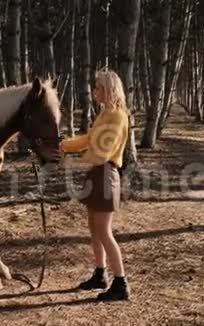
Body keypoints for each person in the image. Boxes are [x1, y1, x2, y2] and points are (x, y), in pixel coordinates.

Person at [60, 69, 130, 301]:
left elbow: (102, 151)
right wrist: (64, 146)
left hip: (105, 173)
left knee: (104, 231)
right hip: (95, 173)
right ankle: (100, 274)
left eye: (99, 87)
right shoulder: (103, 115)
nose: (94, 91)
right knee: (94, 228)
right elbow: (89, 140)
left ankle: (121, 283)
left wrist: (77, 160)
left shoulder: (118, 116)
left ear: (109, 89)